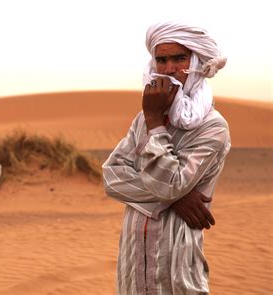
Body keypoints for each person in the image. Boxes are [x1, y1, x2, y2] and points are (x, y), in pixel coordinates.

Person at [102, 21, 231, 294]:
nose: (169, 69)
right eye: (161, 60)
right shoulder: (143, 119)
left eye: (179, 58)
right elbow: (112, 176)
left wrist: (153, 121)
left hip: (176, 260)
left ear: (198, 62)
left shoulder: (212, 126)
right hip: (133, 257)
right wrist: (177, 198)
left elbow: (169, 184)